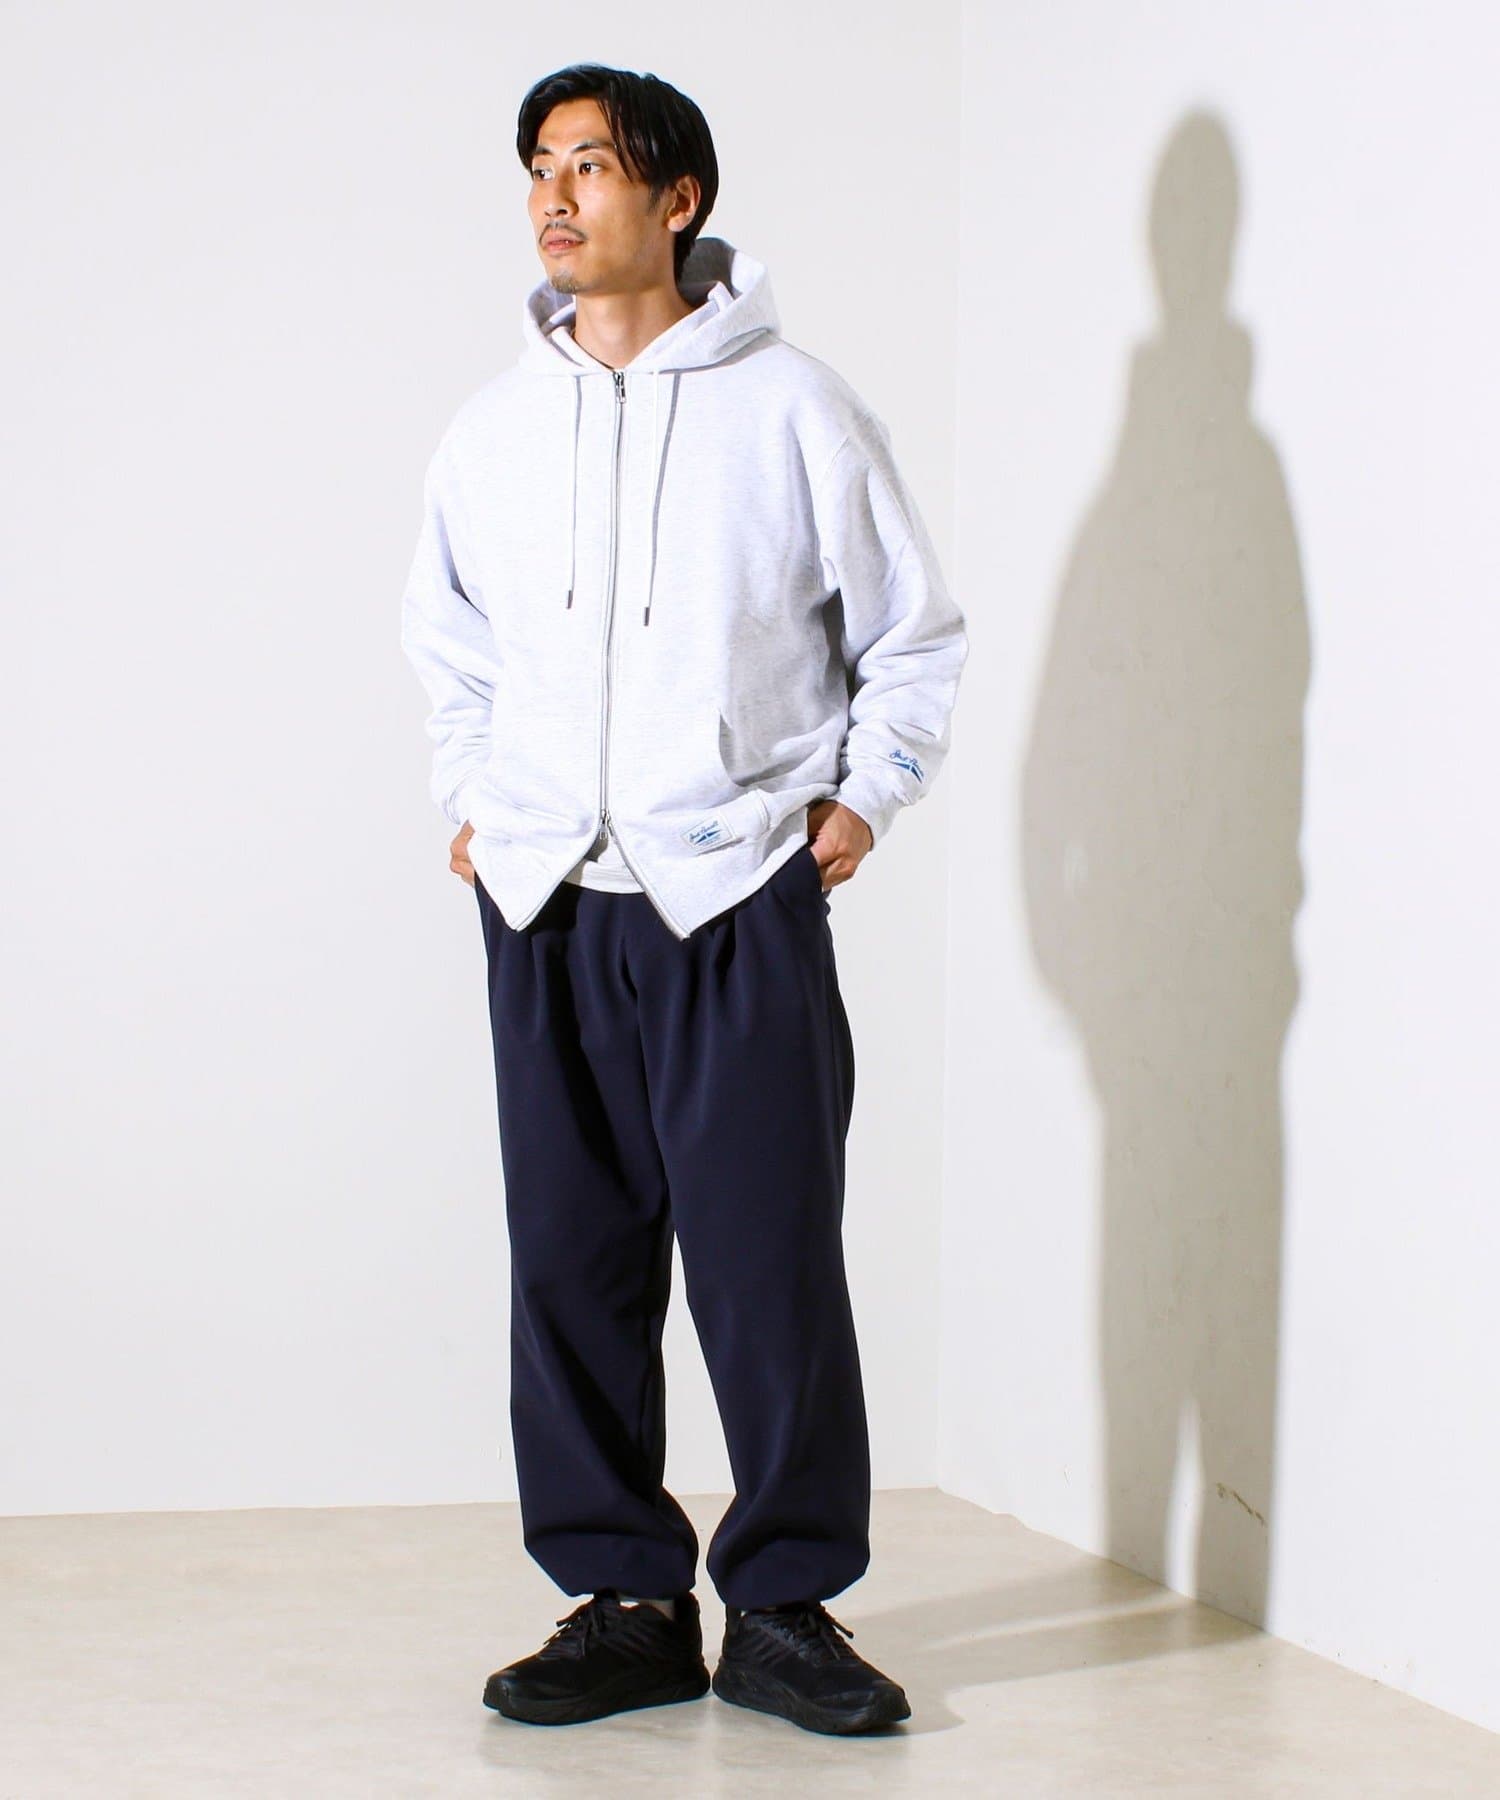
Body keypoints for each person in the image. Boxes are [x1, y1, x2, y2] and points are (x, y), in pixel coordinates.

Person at [400, 62, 967, 1738]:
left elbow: (912, 633)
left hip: (731, 894)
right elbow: (449, 645)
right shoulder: (492, 429)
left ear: (678, 197)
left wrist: (863, 798)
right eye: (539, 166)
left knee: (766, 1262)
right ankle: (624, 1599)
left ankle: (783, 1606)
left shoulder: (794, 407)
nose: (554, 195)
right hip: (545, 902)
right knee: (569, 1262)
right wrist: (475, 797)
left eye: (590, 164)